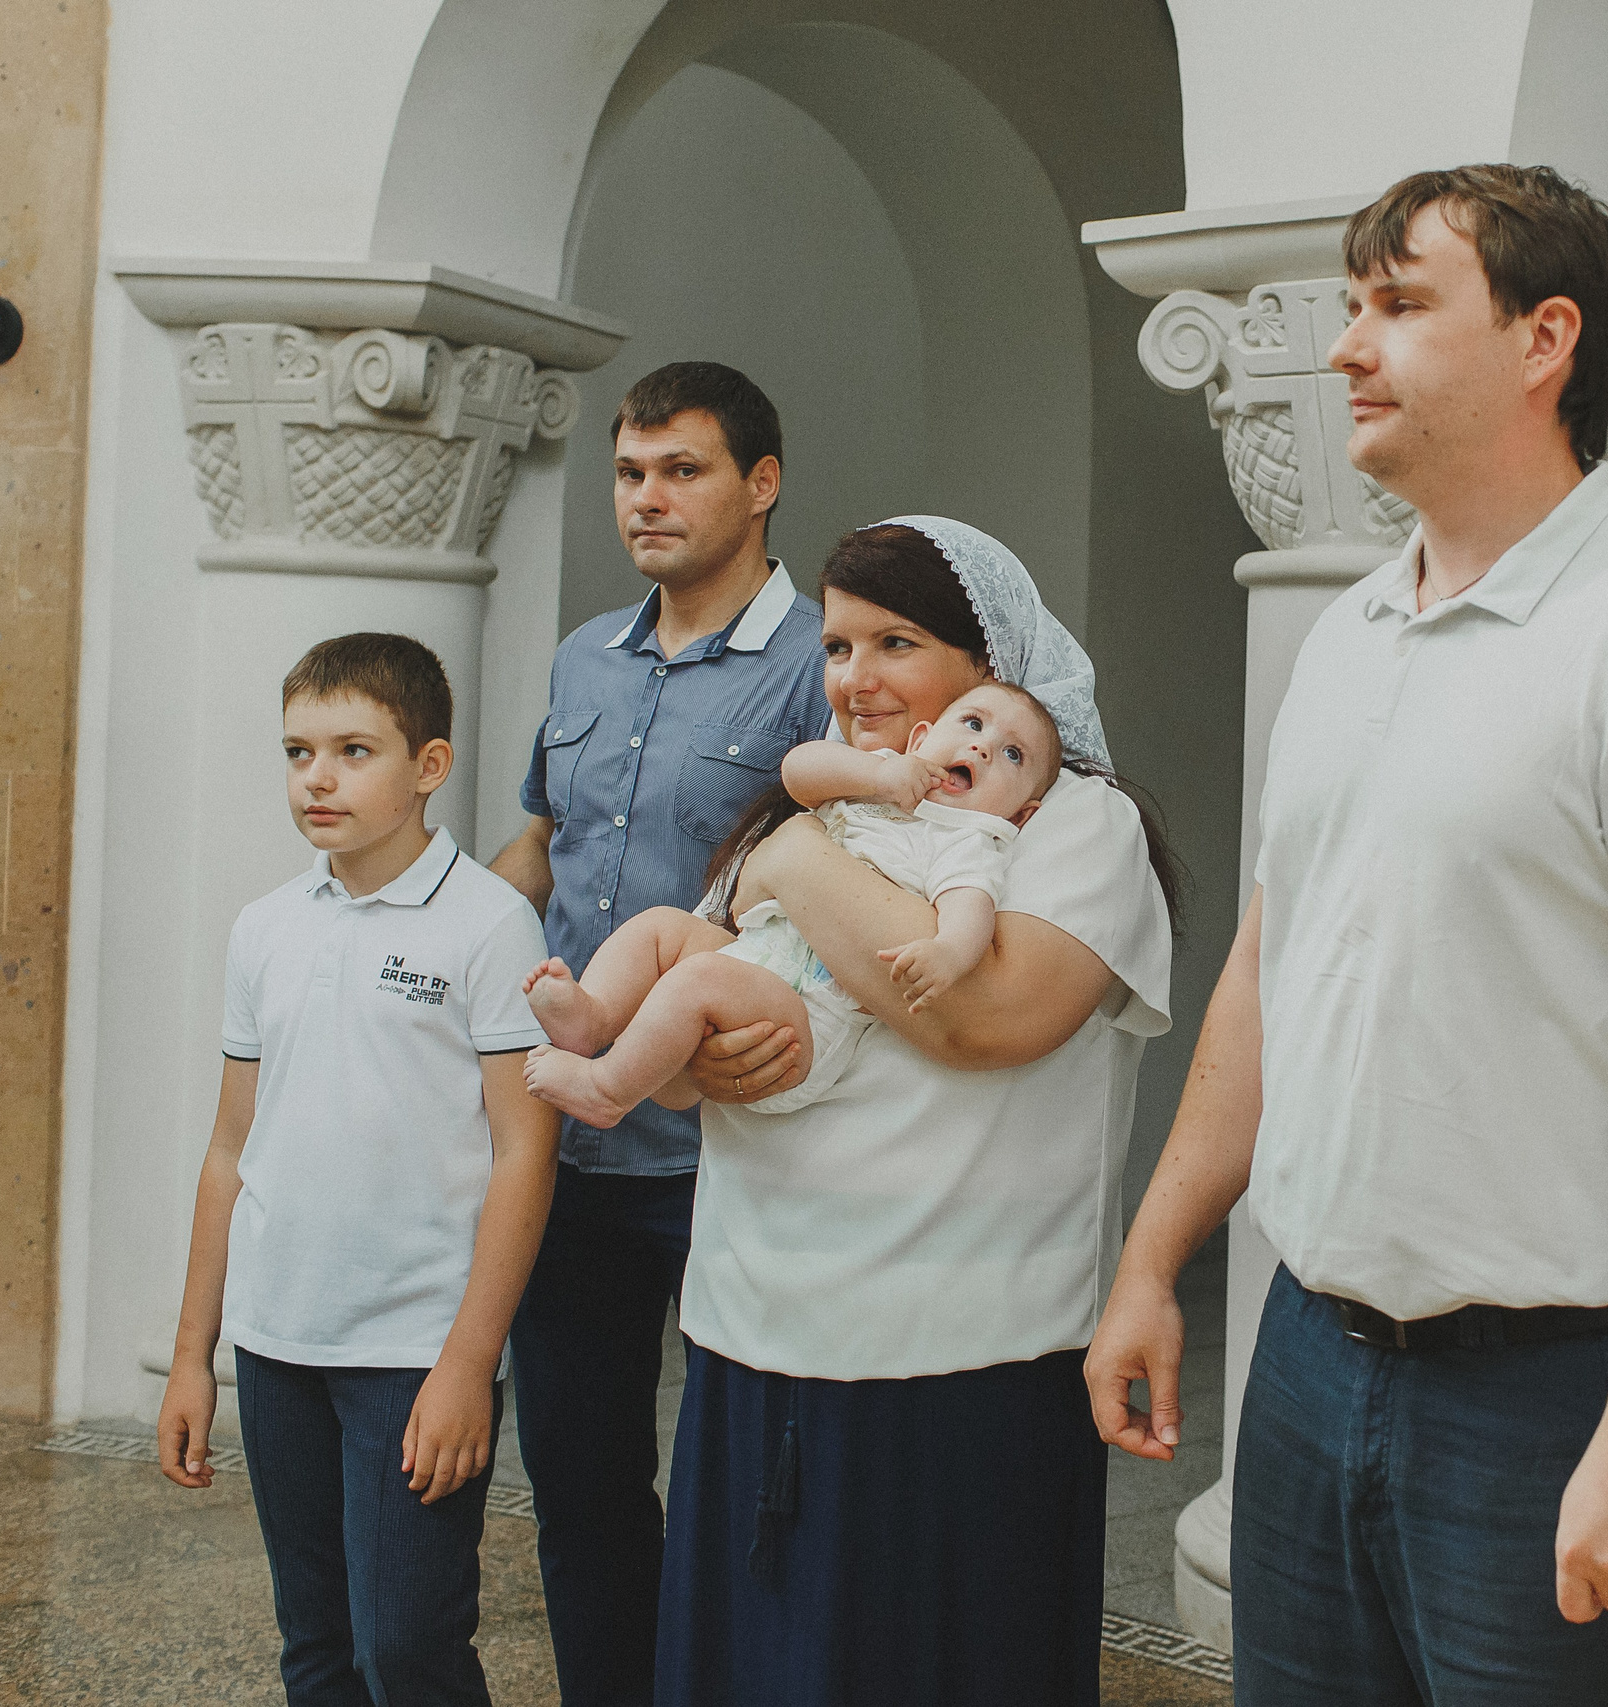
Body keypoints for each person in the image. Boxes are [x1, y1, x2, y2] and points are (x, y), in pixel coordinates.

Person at [1085, 164, 1608, 1706]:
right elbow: (1272, 967)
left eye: (1400, 305)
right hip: (1312, 1359)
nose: (1347, 346)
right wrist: (1153, 1254)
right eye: (1352, 307)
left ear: (1545, 338)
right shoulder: (1356, 632)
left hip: (1556, 1390)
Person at [653, 518, 1183, 1707]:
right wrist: (706, 1061)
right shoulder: (832, 812)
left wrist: (788, 862)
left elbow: (983, 1018)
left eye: (896, 641)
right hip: (757, 1333)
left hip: (958, 1363)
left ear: (993, 665)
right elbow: (696, 1013)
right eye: (838, 646)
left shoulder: (1071, 826)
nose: (857, 678)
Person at [486, 361, 830, 1707]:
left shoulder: (823, 664)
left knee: (757, 1482)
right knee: (578, 1483)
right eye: (630, 472)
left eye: (681, 468)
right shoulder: (585, 654)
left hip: (732, 1142)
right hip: (572, 1154)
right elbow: (540, 847)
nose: (647, 497)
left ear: (761, 482)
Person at [156, 633, 557, 1707]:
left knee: (408, 1649)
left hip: (412, 1352)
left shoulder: (489, 926)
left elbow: (526, 1152)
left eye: (351, 750)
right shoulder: (265, 930)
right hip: (279, 1341)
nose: (316, 779)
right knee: (317, 1647)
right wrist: (194, 1355)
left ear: (430, 766)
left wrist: (469, 1365)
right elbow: (230, 1148)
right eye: (297, 753)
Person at [517, 680, 1065, 1130]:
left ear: (1019, 815)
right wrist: (878, 771)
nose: (982, 747)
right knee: (662, 927)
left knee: (700, 979)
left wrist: (948, 952)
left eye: (1012, 754)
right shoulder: (876, 781)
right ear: (922, 737)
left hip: (808, 1018)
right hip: (755, 954)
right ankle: (592, 1016)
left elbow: (970, 907)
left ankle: (607, 1090)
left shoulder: (967, 840)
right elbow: (799, 771)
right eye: (971, 723)